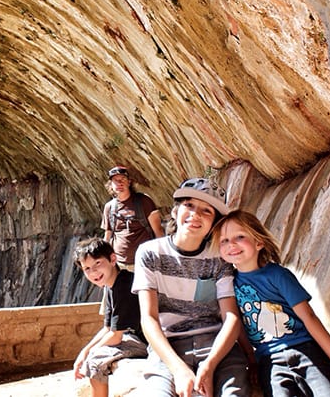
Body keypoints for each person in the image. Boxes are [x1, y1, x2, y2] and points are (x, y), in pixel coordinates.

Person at [212, 210, 330, 397]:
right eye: (224, 241)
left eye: (239, 236)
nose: (231, 244)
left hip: (305, 349)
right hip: (269, 360)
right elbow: (238, 326)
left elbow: (309, 317)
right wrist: (251, 360)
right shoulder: (229, 285)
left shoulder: (278, 275)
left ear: (259, 242)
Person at [132, 177, 250, 397]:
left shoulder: (219, 257)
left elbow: (231, 317)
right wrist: (178, 369)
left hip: (218, 345)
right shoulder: (149, 253)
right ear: (175, 211)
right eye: (189, 205)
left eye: (207, 210)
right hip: (168, 347)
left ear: (214, 223)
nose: (196, 214)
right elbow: (148, 318)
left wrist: (211, 364)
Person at [73, 237, 148, 397]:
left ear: (113, 259)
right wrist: (84, 351)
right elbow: (107, 328)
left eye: (97, 264)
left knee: (95, 362)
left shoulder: (125, 285)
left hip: (147, 341)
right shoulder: (109, 285)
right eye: (87, 269)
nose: (93, 272)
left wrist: (90, 353)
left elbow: (115, 337)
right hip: (134, 336)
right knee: (91, 355)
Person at [102, 166, 164, 270]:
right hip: (119, 264)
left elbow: (158, 231)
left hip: (144, 262)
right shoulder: (109, 207)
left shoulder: (144, 202)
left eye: (123, 179)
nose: (119, 183)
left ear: (129, 182)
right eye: (115, 181)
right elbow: (107, 236)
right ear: (111, 185)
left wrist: (163, 257)